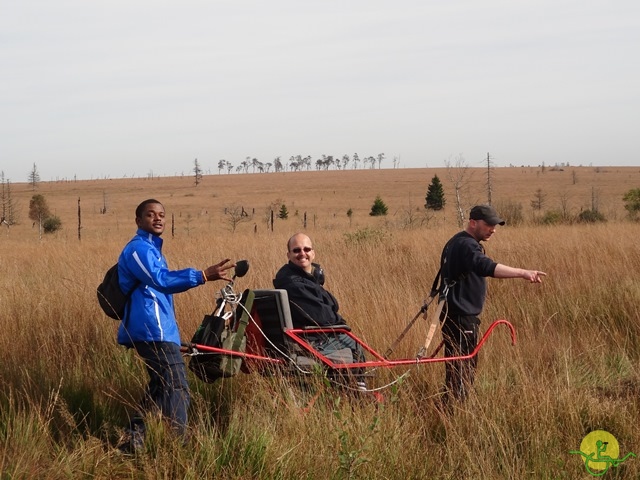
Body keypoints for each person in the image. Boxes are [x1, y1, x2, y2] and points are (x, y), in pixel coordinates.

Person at [116, 198, 234, 453]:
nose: (158, 218)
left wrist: (172, 336)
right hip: (150, 330)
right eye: (150, 215)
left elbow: (159, 298)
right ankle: (177, 449)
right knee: (177, 386)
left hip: (159, 331)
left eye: (161, 214)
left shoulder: (153, 250)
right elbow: (161, 281)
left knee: (160, 388)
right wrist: (202, 275)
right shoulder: (138, 249)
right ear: (138, 221)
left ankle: (129, 445)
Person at [439, 204, 546, 406]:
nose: (493, 229)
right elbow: (486, 266)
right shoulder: (467, 245)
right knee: (463, 372)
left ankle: (449, 409)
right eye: (488, 225)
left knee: (456, 369)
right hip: (462, 317)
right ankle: (455, 414)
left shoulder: (455, 241)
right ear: (473, 222)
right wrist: (523, 273)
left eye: (495, 225)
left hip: (453, 315)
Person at [273, 233, 367, 389]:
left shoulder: (300, 278)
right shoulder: (293, 283)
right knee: (354, 344)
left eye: (306, 249)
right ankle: (357, 391)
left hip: (307, 337)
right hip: (310, 342)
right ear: (288, 255)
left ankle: (346, 388)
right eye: (296, 250)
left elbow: (329, 307)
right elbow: (323, 316)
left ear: (313, 253)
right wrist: (338, 320)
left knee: (347, 337)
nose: (302, 253)